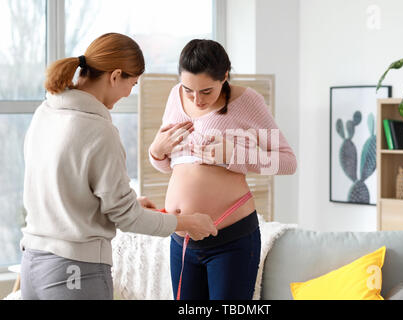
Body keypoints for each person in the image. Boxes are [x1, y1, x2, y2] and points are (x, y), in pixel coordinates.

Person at [19, 33, 217, 300]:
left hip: (32, 263)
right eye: (132, 84)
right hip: (75, 270)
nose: (128, 93)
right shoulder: (99, 130)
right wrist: (187, 222)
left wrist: (130, 202)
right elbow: (127, 218)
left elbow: (62, 189)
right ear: (115, 76)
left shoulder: (45, 113)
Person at [149, 39, 297, 300]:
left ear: (224, 76)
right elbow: (171, 165)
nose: (197, 99)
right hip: (181, 240)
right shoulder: (175, 96)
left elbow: (287, 162)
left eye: (207, 91)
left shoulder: (247, 101)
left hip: (230, 239)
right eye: (188, 89)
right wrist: (156, 152)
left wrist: (234, 155)